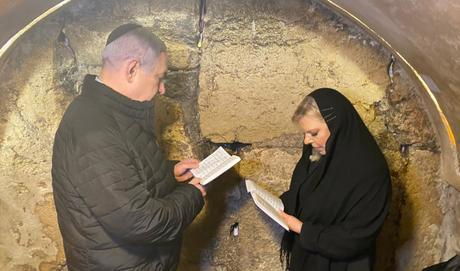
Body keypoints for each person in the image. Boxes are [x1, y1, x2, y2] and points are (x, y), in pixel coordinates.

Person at [52, 23, 206, 271]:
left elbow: (127, 176)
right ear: (132, 69)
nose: (162, 88)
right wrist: (193, 195)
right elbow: (140, 221)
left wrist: (171, 173)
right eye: (159, 77)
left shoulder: (118, 113)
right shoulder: (92, 129)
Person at [278, 88, 391, 271]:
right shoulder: (319, 156)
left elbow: (355, 238)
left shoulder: (371, 173)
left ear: (337, 127)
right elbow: (307, 195)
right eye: (305, 133)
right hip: (309, 260)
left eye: (313, 133)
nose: (307, 141)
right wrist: (278, 203)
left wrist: (302, 229)